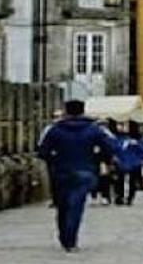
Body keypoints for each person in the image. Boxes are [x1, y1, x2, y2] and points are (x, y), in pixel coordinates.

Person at [37, 100, 116, 253]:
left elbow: (42, 152)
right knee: (76, 206)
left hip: (60, 172)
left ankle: (64, 236)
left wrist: (55, 160)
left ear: (66, 111)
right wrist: (97, 158)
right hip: (84, 170)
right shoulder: (94, 130)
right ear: (82, 111)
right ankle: (71, 239)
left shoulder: (55, 129)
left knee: (63, 206)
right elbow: (110, 147)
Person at [113, 125, 143, 206]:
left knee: (129, 180)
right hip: (127, 161)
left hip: (129, 161)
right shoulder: (122, 138)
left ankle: (126, 197)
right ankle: (123, 197)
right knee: (123, 180)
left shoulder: (136, 139)